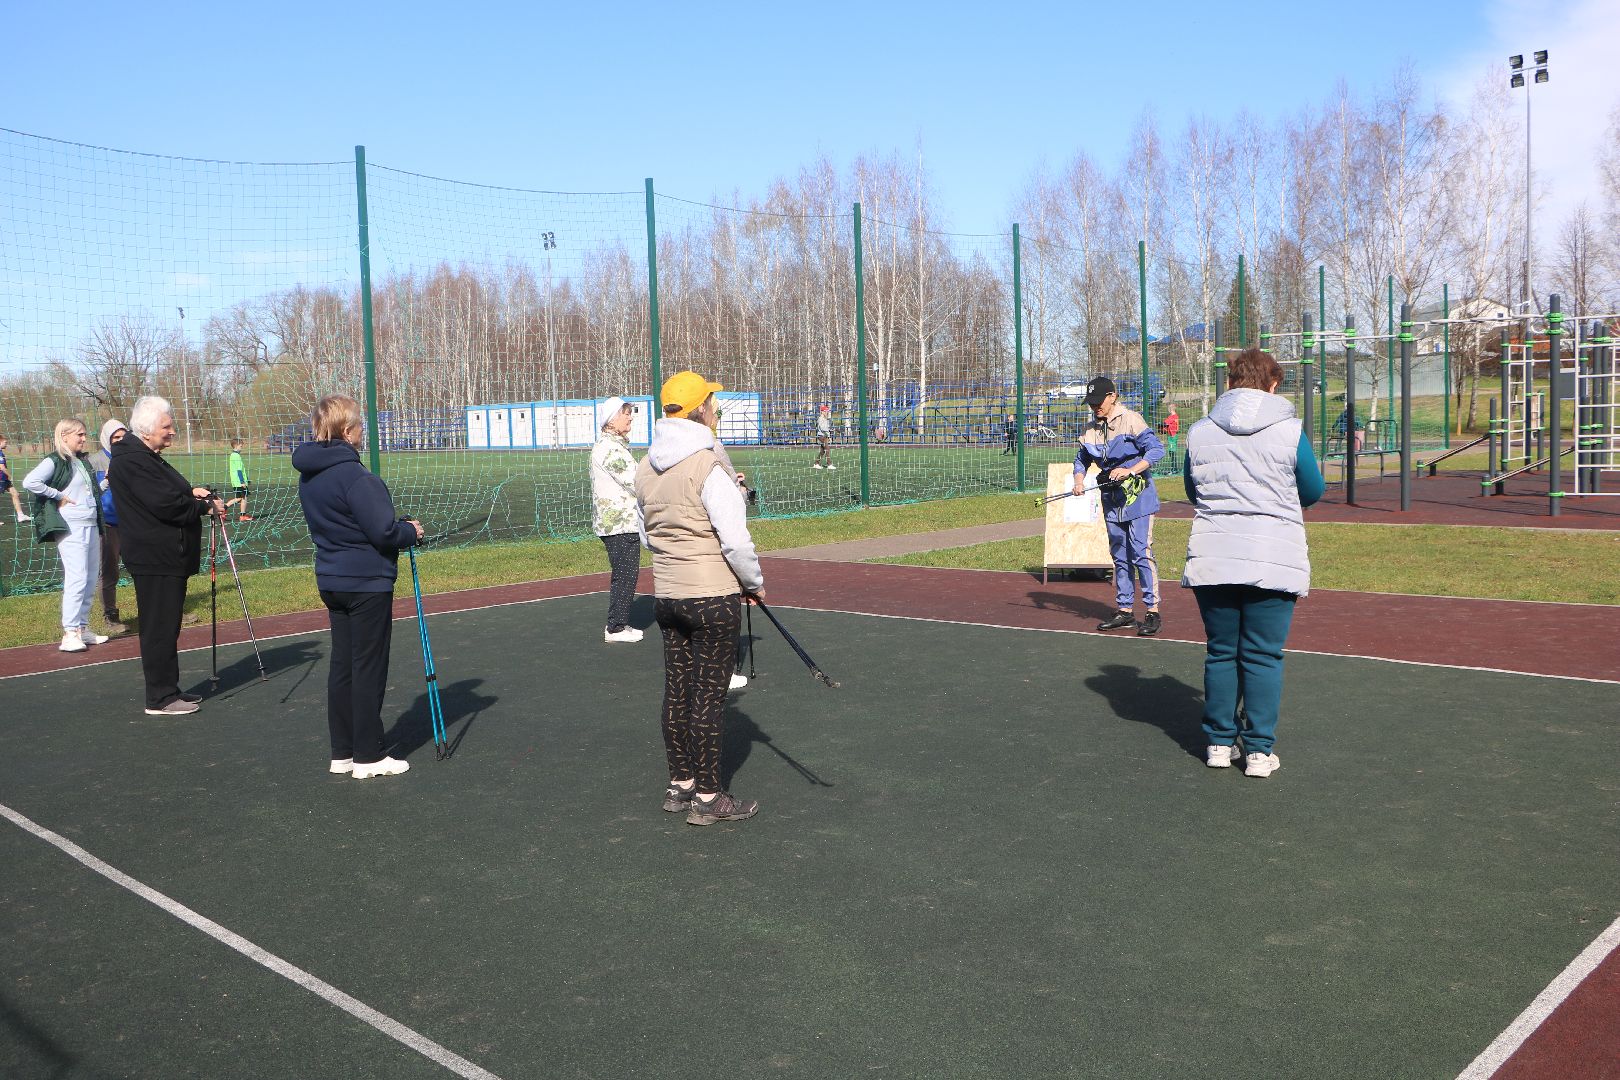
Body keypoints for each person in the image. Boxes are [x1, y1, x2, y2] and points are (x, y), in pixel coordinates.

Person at [1182, 348, 1324, 779]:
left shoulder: (1200, 431)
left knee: (1221, 652)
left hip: (1215, 552)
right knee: (1262, 656)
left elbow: (1194, 490)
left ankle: (1219, 744)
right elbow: (1312, 488)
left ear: (1229, 381)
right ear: (1274, 383)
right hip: (1273, 554)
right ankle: (1259, 752)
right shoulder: (1290, 430)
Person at [636, 370, 765, 826]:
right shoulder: (708, 463)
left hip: (667, 595)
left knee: (677, 692)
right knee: (709, 698)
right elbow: (735, 540)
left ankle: (681, 784)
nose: (715, 409)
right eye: (712, 403)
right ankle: (709, 798)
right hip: (711, 595)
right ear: (700, 410)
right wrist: (752, 583)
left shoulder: (645, 468)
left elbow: (647, 536)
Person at [294, 394, 423, 780]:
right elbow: (383, 533)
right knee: (368, 666)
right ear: (347, 431)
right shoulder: (356, 476)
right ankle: (368, 754)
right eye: (360, 426)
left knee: (343, 665)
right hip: (365, 581)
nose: (362, 432)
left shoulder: (309, 474)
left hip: (332, 577)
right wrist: (410, 531)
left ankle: (344, 751)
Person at [110, 397, 222, 715]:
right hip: (155, 556)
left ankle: (168, 690)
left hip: (166, 555)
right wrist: (204, 506)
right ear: (146, 431)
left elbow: (168, 494)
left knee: (167, 625)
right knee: (159, 627)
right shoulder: (133, 460)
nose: (172, 431)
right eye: (167, 426)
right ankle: (159, 698)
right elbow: (164, 505)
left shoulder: (147, 456)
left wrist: (191, 493)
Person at [1072, 376, 1166, 636]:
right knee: (1119, 555)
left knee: (1141, 552)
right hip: (1111, 499)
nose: (1095, 407)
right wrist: (1079, 480)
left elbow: (1156, 450)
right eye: (1090, 402)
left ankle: (1152, 611)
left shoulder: (1131, 420)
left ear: (1112, 396)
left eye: (1098, 401)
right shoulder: (1089, 428)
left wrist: (1131, 470)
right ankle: (1125, 610)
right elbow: (1081, 460)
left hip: (1139, 498)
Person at [24, 419, 106, 654]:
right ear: (65, 436)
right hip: (71, 527)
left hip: (90, 524)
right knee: (77, 577)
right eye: (79, 434)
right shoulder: (54, 460)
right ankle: (70, 633)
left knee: (91, 577)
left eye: (84, 434)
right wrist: (56, 494)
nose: (83, 438)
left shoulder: (81, 461)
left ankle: (83, 628)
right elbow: (30, 481)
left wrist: (108, 480)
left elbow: (90, 492)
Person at [591, 396, 643, 643]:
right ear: (612, 420)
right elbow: (636, 481)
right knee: (625, 573)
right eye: (625, 413)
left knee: (626, 572)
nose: (630, 416)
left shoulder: (613, 445)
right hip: (619, 523)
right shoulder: (611, 449)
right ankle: (616, 627)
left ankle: (619, 623)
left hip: (618, 522)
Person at [88, 419, 130, 635]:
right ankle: (110, 615)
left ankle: (162, 609)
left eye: (124, 436)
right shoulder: (95, 461)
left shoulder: (133, 457)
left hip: (133, 522)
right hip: (108, 524)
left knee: (146, 567)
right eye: (116, 437)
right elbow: (92, 494)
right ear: (107, 439)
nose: (120, 441)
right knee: (109, 571)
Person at [0, 434, 32, 524]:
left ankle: (21, 516)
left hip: (4, 480)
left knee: (15, 494)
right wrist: (10, 475)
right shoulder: (0, 453)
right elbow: (2, 467)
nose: (6, 444)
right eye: (5, 442)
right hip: (1, 479)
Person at [225, 437, 252, 522]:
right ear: (236, 446)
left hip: (236, 482)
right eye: (241, 446)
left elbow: (240, 469)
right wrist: (242, 481)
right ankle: (242, 516)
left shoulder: (233, 455)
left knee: (239, 498)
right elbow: (239, 470)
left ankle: (224, 508)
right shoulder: (236, 456)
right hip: (239, 482)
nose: (241, 447)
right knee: (244, 498)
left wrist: (246, 479)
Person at [812, 404, 834, 469]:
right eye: (825, 411)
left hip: (824, 436)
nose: (827, 412)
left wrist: (829, 433)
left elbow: (826, 428)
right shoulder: (821, 419)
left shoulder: (825, 419)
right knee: (827, 449)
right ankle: (829, 464)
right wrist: (828, 433)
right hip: (822, 436)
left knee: (822, 451)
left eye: (827, 411)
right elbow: (822, 428)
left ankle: (816, 464)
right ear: (822, 411)